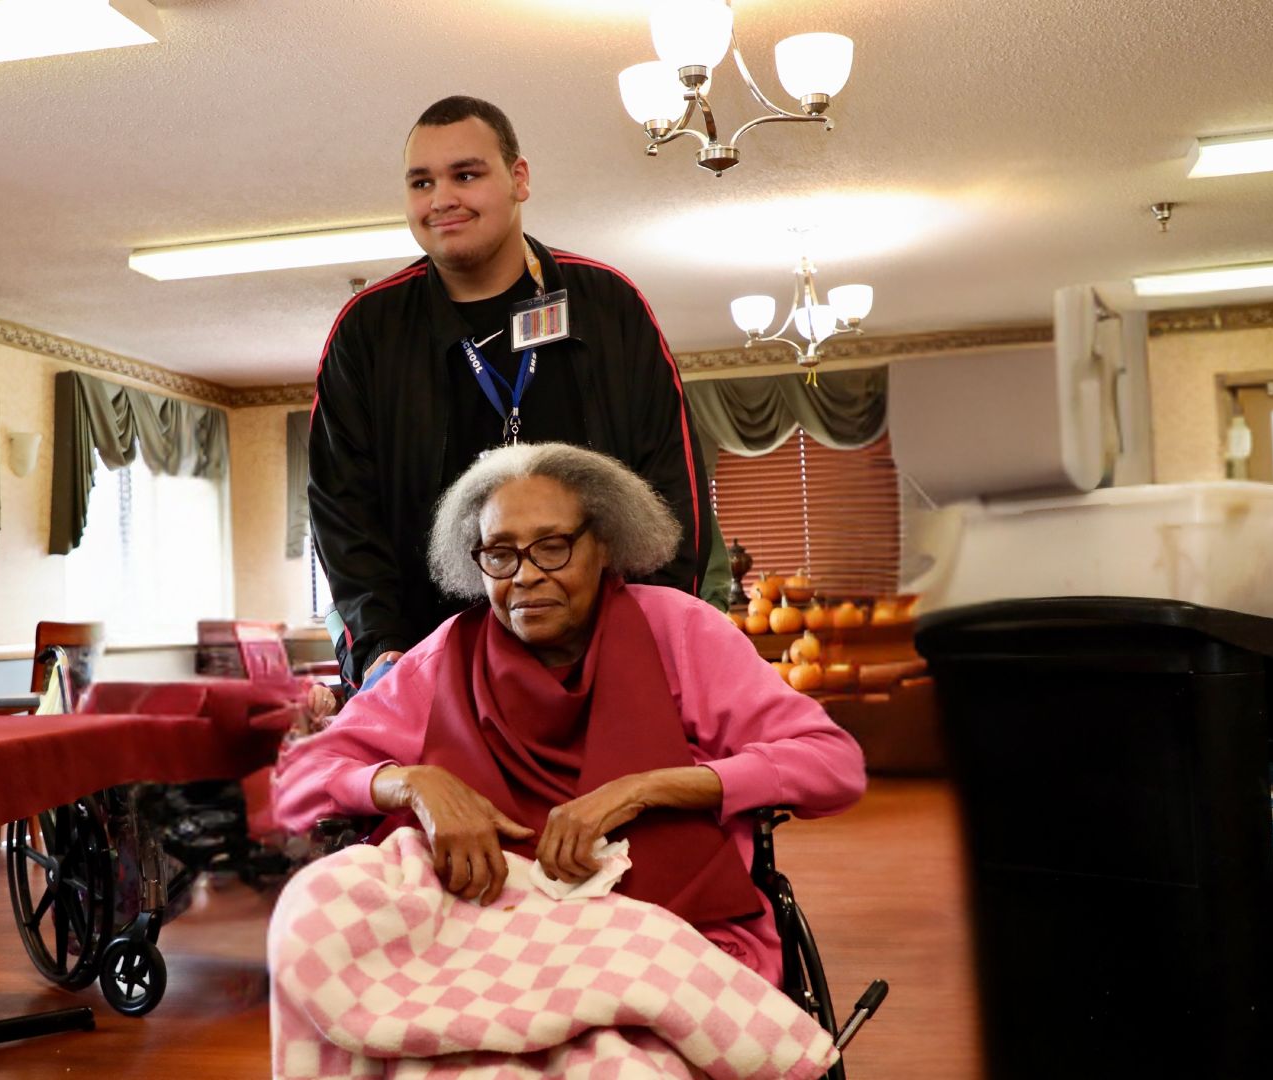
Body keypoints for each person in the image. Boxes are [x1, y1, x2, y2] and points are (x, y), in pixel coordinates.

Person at [276, 443, 866, 985]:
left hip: (666, 932)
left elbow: (831, 766)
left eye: (553, 547)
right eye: (500, 554)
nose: (527, 575)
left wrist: (649, 788)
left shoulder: (680, 629)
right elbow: (299, 779)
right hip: (477, 938)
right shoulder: (443, 656)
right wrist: (412, 784)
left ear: (604, 543)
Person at [308, 95, 713, 688]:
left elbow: (673, 494)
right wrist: (379, 654)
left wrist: (653, 639)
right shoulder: (365, 331)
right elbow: (343, 516)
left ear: (518, 179)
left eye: (465, 175)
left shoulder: (607, 306)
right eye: (421, 182)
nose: (441, 199)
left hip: (604, 669)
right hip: (430, 678)